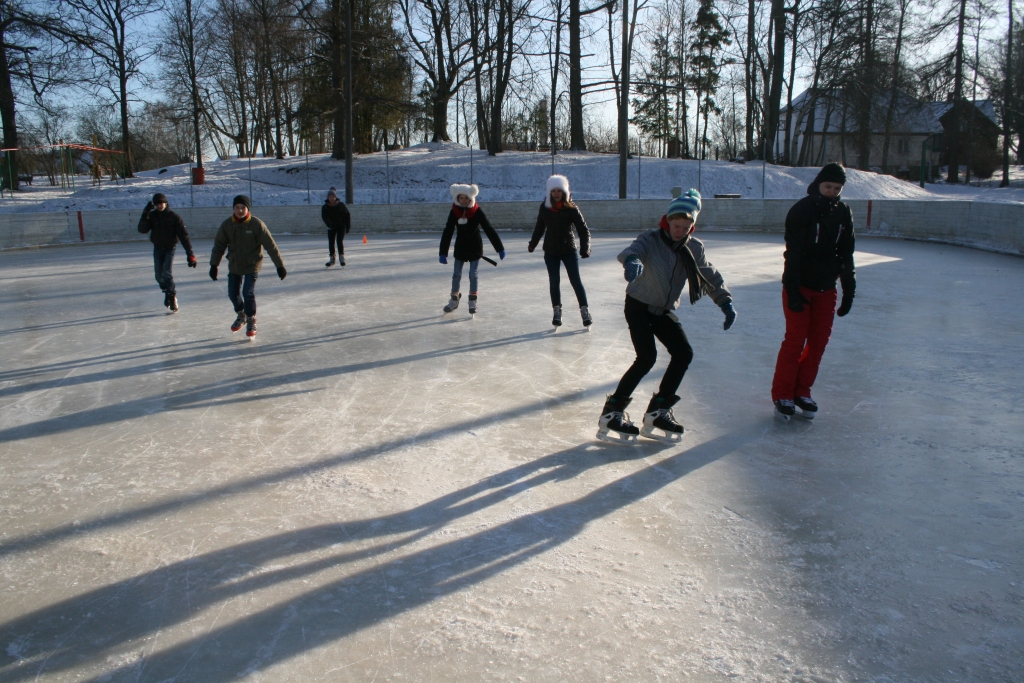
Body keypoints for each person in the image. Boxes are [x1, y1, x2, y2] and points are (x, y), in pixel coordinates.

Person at [597, 189, 737, 445]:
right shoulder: (651, 239)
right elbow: (632, 250)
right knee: (646, 357)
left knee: (683, 353)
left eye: (686, 227)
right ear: (667, 221)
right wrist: (632, 261)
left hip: (663, 311)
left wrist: (725, 302)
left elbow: (710, 276)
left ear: (692, 226)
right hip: (638, 306)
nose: (680, 231)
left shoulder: (693, 248)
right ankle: (612, 412)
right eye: (676, 226)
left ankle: (658, 411)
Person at [771, 162, 855, 421]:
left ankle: (802, 391)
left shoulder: (843, 212)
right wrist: (792, 289)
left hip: (827, 288)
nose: (832, 192)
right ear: (819, 184)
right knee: (795, 341)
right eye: (828, 186)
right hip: (800, 286)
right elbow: (793, 253)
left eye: (837, 188)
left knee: (818, 343)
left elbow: (846, 253)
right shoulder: (802, 210)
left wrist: (849, 289)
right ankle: (783, 394)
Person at [209, 195, 287, 340]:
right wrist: (214, 265)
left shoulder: (256, 224)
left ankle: (251, 319)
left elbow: (271, 246)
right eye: (237, 207)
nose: (240, 210)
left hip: (252, 264)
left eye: (243, 207)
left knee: (248, 292)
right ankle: (241, 314)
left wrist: (280, 266)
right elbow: (219, 246)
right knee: (233, 294)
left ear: (248, 208)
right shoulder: (227, 225)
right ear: (233, 208)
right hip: (235, 264)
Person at [528, 175, 593, 327]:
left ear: (564, 192)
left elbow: (583, 230)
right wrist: (532, 244)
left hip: (568, 249)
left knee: (575, 280)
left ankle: (585, 311)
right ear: (550, 192)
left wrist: (585, 248)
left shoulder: (571, 208)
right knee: (554, 281)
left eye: (559, 190)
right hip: (550, 251)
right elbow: (539, 227)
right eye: (553, 190)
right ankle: (557, 311)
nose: (556, 193)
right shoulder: (545, 207)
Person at [439, 183, 505, 315]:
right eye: (461, 198)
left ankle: (472, 301)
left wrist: (499, 248)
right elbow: (448, 232)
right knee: (456, 275)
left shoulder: (477, 211)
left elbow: (488, 229)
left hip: (475, 248)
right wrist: (443, 252)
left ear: (471, 198)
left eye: (466, 198)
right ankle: (454, 300)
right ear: (457, 198)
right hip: (460, 248)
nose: (464, 200)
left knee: (473, 275)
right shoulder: (454, 212)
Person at [137, 192, 196, 312]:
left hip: (170, 248)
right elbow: (142, 230)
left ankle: (172, 296)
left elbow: (183, 236)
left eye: (161, 203)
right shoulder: (152, 216)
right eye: (157, 204)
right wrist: (145, 213)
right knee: (159, 276)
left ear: (166, 203)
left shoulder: (174, 217)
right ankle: (167, 292)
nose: (159, 206)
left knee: (166, 274)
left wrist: (190, 254)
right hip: (158, 248)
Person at [322, 187, 351, 267]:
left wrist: (347, 226)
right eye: (330, 197)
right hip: (331, 227)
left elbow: (347, 215)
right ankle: (332, 258)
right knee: (331, 242)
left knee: (339, 241)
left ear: (335, 197)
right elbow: (324, 217)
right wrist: (329, 224)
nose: (331, 198)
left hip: (341, 226)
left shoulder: (341, 205)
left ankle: (341, 257)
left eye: (333, 197)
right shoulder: (325, 207)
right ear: (328, 197)